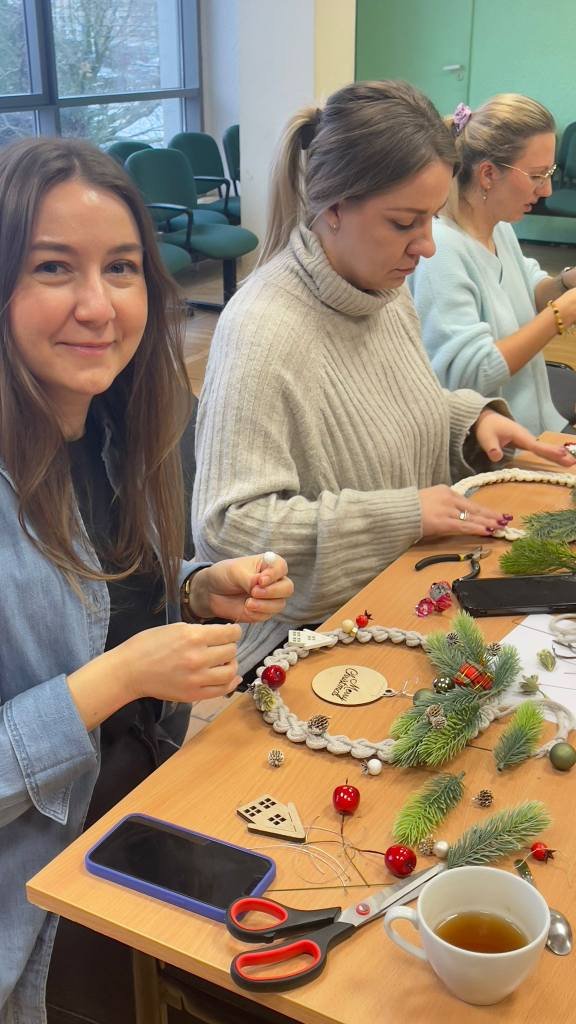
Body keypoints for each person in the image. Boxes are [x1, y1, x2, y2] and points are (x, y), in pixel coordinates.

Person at [0, 137, 293, 1024]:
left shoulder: (122, 427)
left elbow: (95, 590)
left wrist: (195, 588)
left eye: (121, 268)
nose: (98, 306)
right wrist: (120, 677)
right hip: (35, 891)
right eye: (54, 267)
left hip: (141, 807)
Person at [192, 80, 575, 675]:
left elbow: (390, 407)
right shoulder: (263, 329)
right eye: (404, 223)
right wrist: (405, 514)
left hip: (401, 585)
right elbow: (229, 531)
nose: (427, 246)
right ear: (333, 209)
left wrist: (471, 420)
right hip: (311, 639)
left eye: (431, 219)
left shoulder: (384, 290)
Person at [409, 94, 576, 434]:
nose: (546, 190)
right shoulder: (441, 250)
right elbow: (470, 374)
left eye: (550, 174)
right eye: (537, 175)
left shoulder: (499, 227)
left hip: (535, 427)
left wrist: (566, 283)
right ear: (487, 174)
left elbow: (531, 290)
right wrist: (561, 314)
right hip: (492, 446)